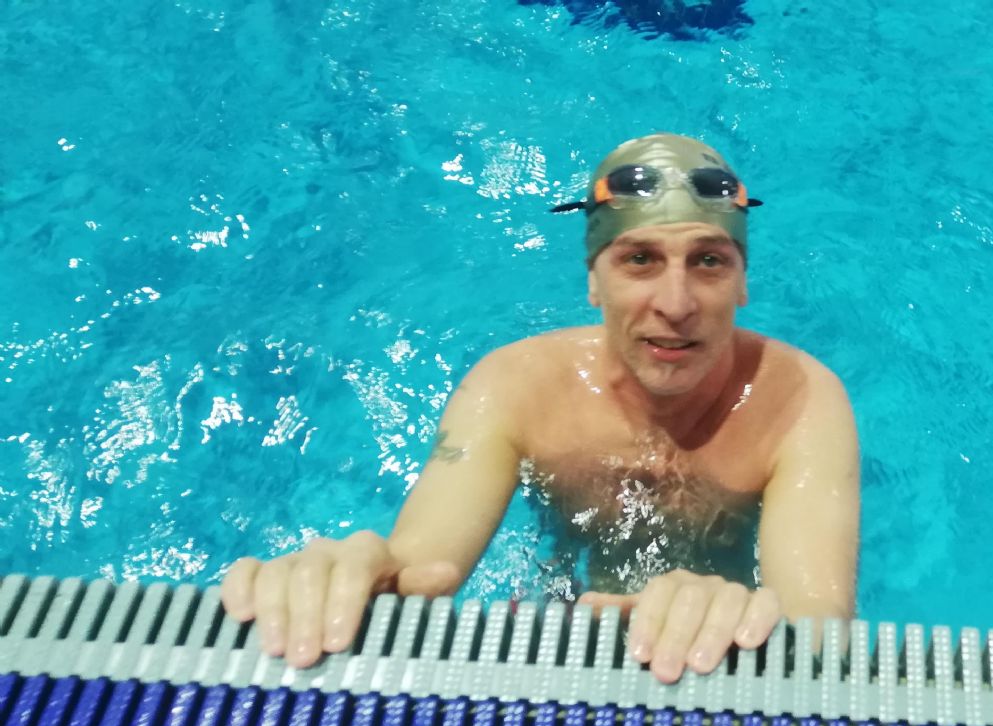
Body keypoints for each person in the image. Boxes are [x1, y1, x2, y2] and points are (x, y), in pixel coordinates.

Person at [220, 133, 860, 684]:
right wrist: (360, 576)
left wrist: (745, 612)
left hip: (722, 643)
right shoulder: (514, 386)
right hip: (562, 606)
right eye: (639, 260)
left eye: (709, 262)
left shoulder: (799, 397)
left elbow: (818, 631)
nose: (676, 303)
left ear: (743, 282)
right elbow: (421, 565)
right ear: (593, 280)